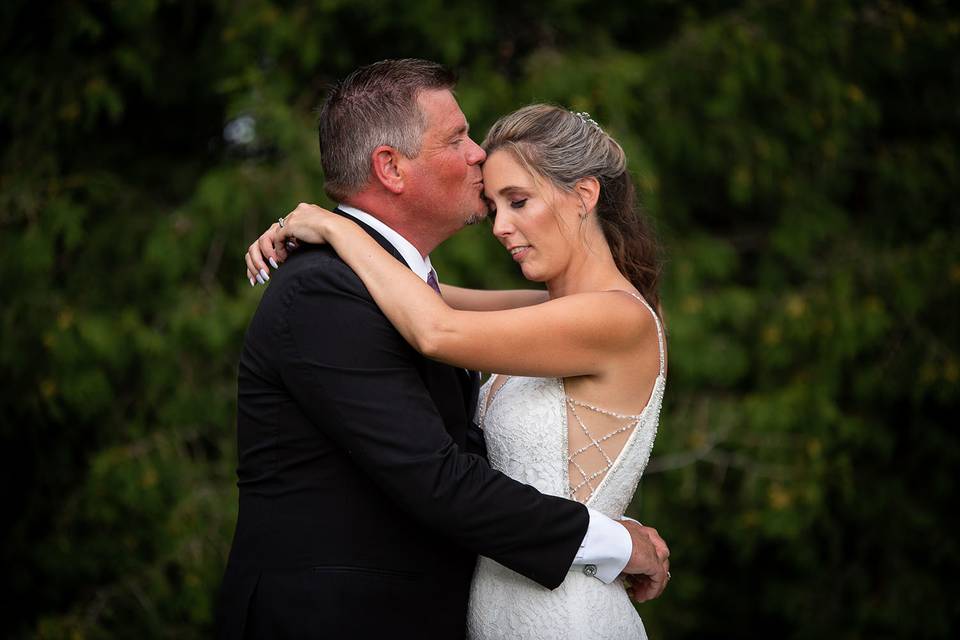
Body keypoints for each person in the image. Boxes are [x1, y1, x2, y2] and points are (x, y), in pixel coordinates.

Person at [222, 59, 669, 640]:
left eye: (519, 201)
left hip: (553, 612)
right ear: (390, 167)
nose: (477, 156)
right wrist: (607, 538)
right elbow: (433, 314)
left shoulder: (607, 316)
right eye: (458, 139)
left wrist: (337, 231)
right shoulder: (328, 291)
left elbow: (438, 326)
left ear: (584, 196)